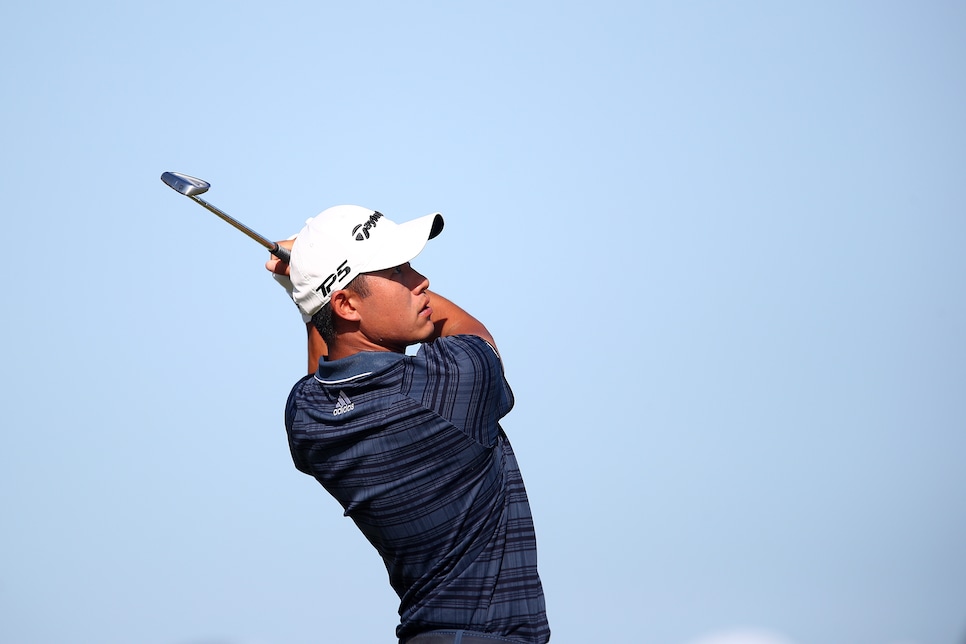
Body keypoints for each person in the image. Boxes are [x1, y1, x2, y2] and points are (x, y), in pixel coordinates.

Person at [265, 205, 551, 644]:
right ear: (346, 303)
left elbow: (323, 366)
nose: (422, 282)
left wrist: (309, 293)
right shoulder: (450, 386)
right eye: (398, 271)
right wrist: (304, 288)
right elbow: (467, 330)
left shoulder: (307, 418)